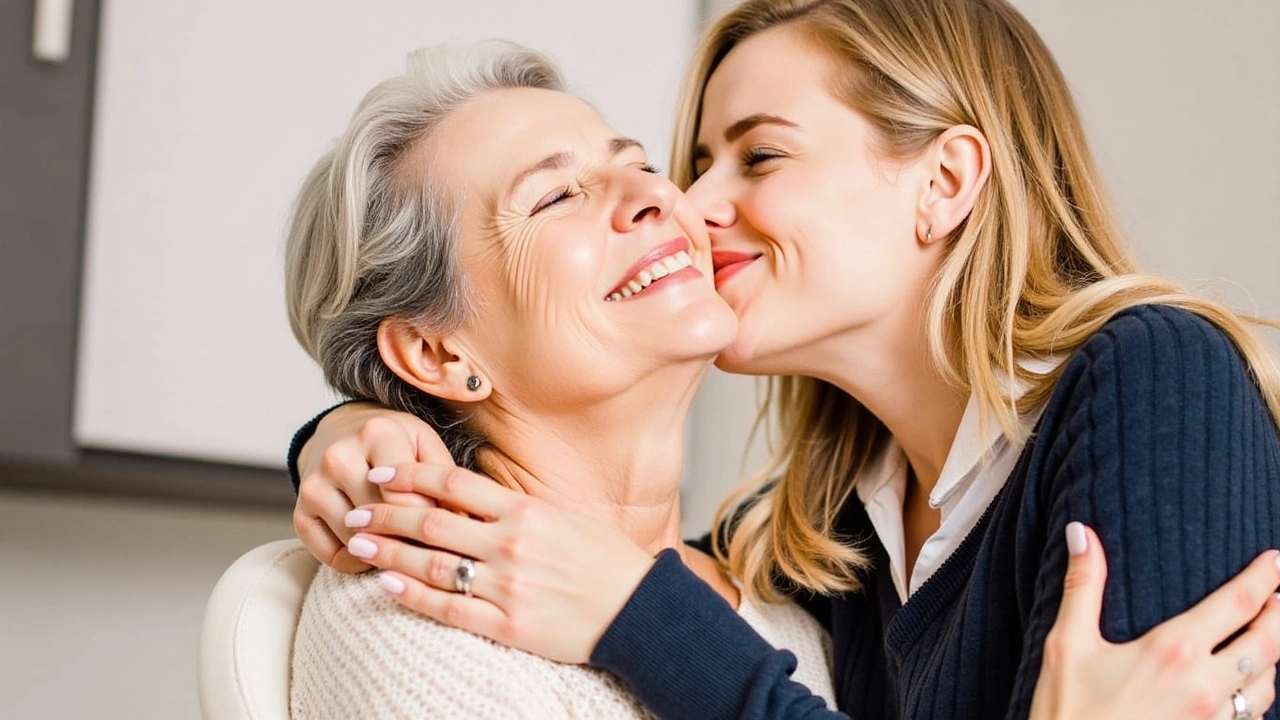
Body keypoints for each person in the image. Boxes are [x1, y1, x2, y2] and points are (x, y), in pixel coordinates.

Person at [288, 1, 1280, 717]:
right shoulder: (825, 547)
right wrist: (347, 430)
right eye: (556, 196)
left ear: (942, 182)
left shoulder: (1149, 378)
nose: (688, 205)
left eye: (756, 158)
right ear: (431, 349)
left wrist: (641, 617)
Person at [284, 41, 835, 719]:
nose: (657, 195)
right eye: (556, 196)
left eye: (641, 164)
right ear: (436, 354)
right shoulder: (418, 624)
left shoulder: (801, 601)